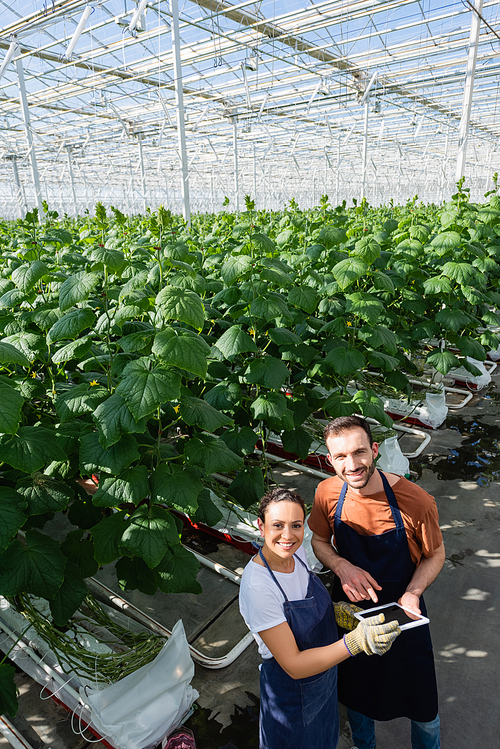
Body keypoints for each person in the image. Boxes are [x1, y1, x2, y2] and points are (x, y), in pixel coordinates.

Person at [309, 415, 445, 749]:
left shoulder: (416, 501)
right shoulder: (326, 493)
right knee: (358, 697)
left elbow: (436, 554)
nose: (351, 464)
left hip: (405, 614)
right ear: (330, 459)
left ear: (374, 450)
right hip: (351, 615)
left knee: (422, 704)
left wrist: (413, 593)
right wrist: (342, 566)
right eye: (340, 456)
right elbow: (319, 542)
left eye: (359, 453)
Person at [239, 487, 402, 749]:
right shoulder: (258, 587)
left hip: (323, 682)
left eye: (296, 525)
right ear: (261, 526)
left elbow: (306, 601)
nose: (288, 536)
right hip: (291, 696)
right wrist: (355, 642)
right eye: (277, 525)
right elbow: (293, 664)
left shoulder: (297, 554)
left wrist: (337, 611)